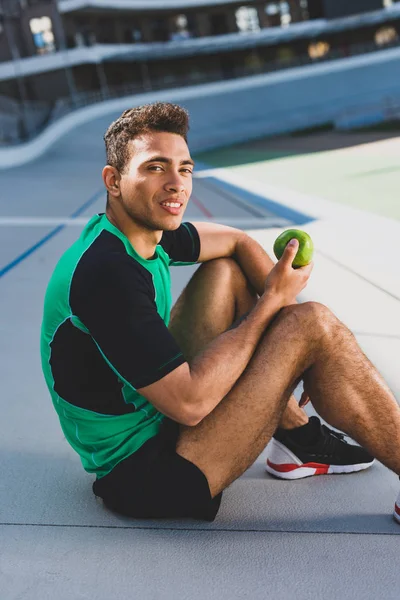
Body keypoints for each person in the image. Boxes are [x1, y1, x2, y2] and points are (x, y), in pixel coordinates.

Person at [40, 102, 400, 523]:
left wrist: (288, 318)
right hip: (148, 475)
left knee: (226, 273)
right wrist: (276, 312)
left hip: (156, 422)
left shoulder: (137, 235)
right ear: (114, 181)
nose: (177, 184)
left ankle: (297, 437)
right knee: (314, 324)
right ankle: (302, 426)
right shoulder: (107, 273)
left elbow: (236, 242)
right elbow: (190, 406)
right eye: (156, 167)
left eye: (185, 169)